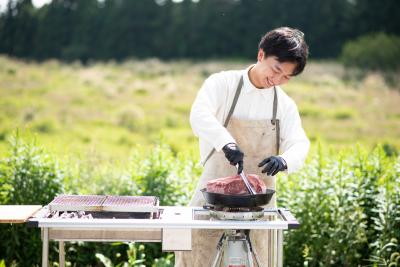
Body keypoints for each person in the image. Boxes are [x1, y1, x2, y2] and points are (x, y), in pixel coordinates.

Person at [175, 27, 310, 267]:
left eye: (286, 77)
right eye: (276, 70)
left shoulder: (285, 105)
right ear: (261, 55)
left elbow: (299, 142)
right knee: (196, 254)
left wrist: (285, 160)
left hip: (259, 209)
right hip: (212, 201)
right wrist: (225, 142)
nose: (277, 80)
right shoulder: (222, 83)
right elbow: (199, 114)